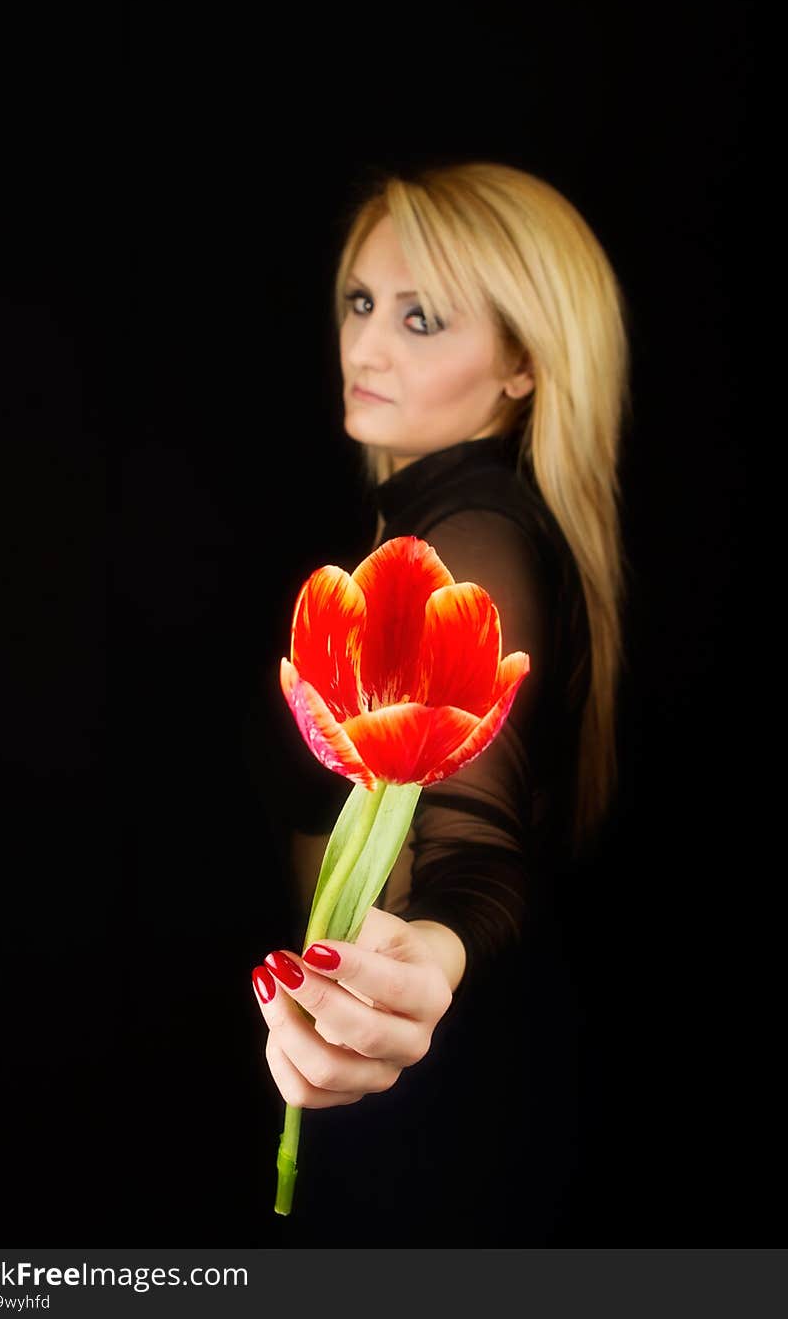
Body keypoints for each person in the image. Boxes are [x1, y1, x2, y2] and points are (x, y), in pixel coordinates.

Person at [248, 160, 631, 1243]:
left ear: (521, 362)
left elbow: (475, 839)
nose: (365, 344)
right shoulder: (445, 521)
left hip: (426, 1117)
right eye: (361, 301)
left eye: (421, 317)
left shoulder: (472, 540)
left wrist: (430, 957)